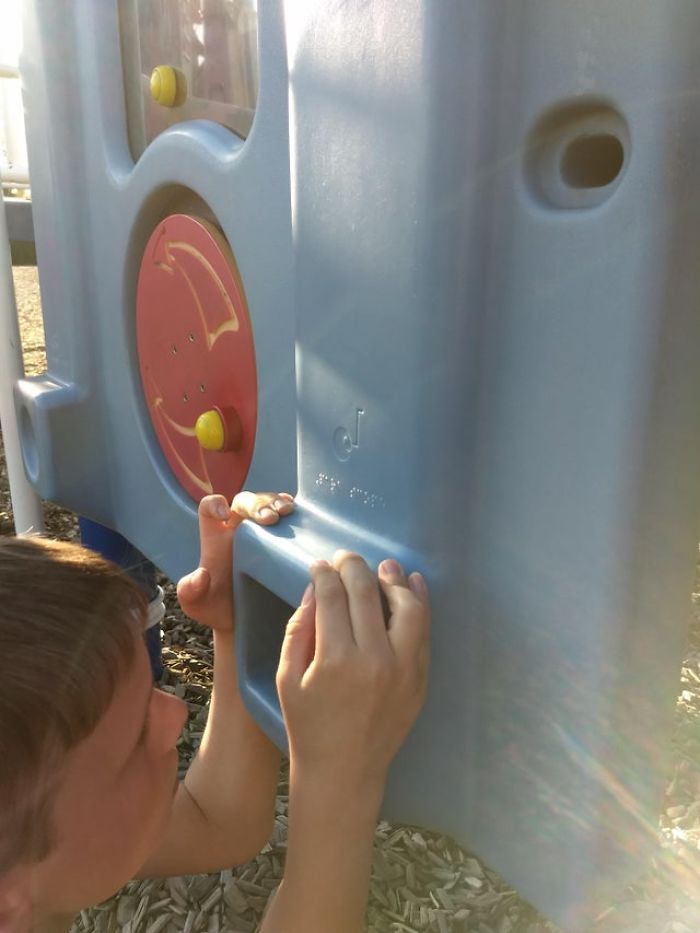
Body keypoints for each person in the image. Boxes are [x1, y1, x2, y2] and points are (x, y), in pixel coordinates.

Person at [0, 491, 431, 933]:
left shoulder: (31, 856)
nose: (176, 714)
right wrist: (341, 776)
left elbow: (217, 821)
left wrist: (241, 625)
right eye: (133, 742)